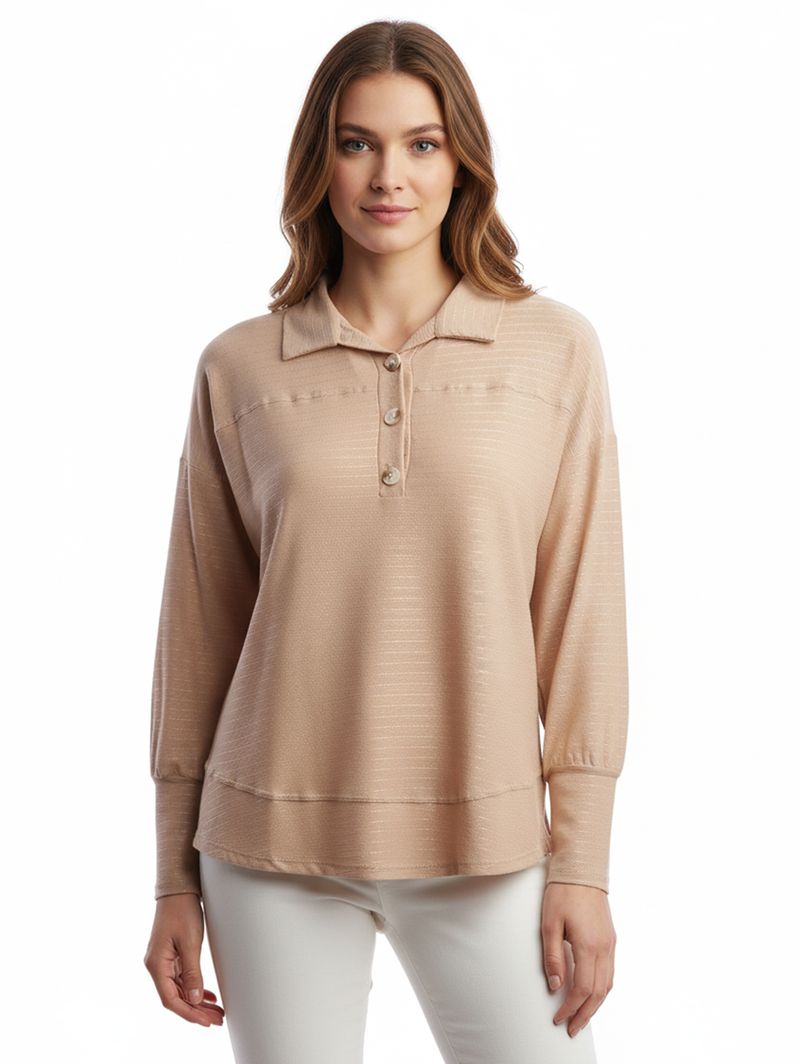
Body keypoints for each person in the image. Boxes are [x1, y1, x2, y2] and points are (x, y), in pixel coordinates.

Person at [143, 19, 629, 1064]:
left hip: (485, 841)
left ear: (463, 162)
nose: (387, 177)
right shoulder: (240, 367)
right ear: (317, 162)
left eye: (421, 143)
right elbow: (199, 631)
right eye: (356, 143)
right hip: (267, 848)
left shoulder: (551, 351)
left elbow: (580, 619)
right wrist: (173, 875)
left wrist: (581, 863)